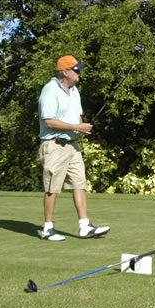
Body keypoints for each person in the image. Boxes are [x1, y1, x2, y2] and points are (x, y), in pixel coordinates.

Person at [37, 55, 110, 241]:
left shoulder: (75, 90)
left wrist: (81, 128)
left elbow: (77, 116)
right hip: (54, 145)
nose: (79, 72)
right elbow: (49, 121)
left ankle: (84, 226)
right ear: (64, 72)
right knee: (52, 187)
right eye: (75, 69)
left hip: (72, 145)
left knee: (79, 184)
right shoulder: (50, 90)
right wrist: (77, 127)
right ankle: (47, 228)